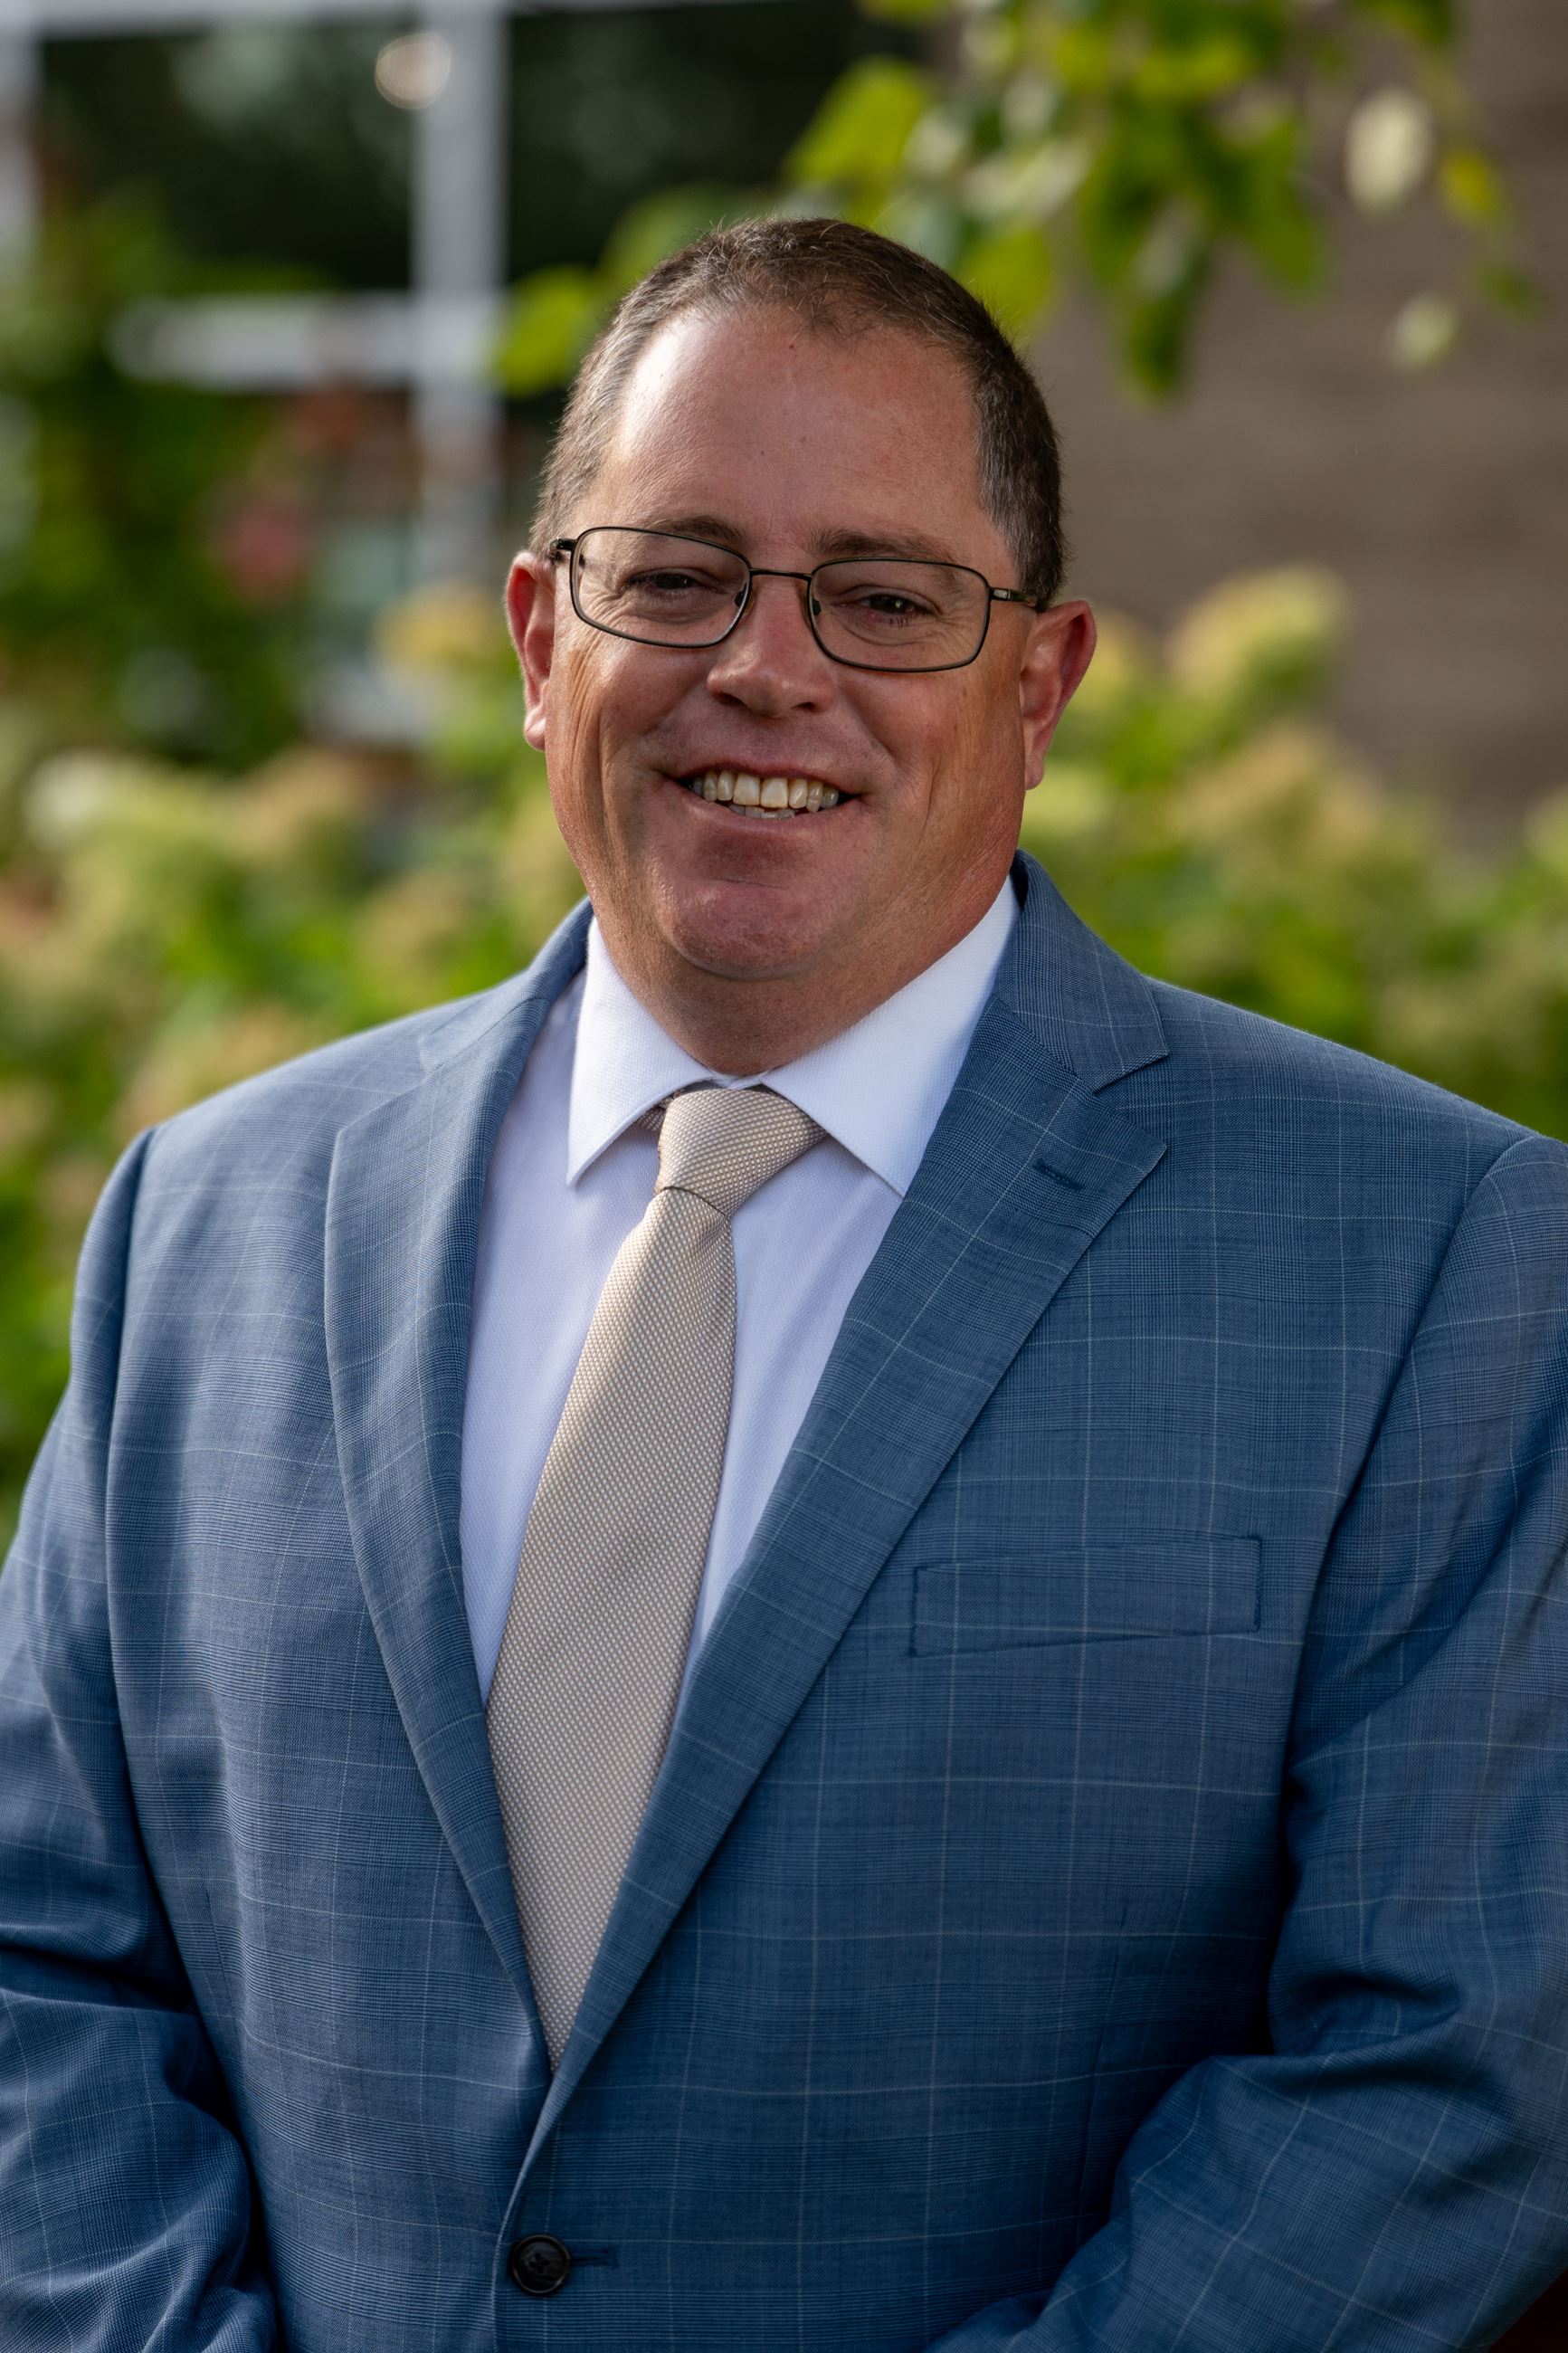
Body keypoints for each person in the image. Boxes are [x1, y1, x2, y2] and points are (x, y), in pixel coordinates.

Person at [2, 217, 1565, 2353]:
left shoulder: (1434, 1261)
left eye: (888, 599)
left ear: (1040, 686)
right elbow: (40, 1956)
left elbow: (1440, 2072)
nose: (770, 666)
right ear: (544, 637)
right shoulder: (212, 1221)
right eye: (679, 574)